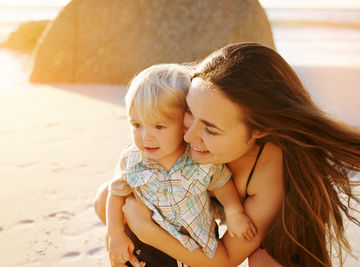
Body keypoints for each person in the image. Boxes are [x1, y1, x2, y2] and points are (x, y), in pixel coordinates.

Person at [118, 43, 360, 267]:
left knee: (262, 260)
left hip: (266, 246)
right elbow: (114, 191)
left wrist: (146, 230)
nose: (189, 136)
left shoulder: (267, 175)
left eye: (211, 129)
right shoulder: (190, 131)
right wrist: (116, 232)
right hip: (191, 221)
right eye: (189, 111)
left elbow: (225, 259)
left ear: (260, 130)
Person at [102, 63, 257, 267]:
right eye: (137, 125)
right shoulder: (132, 159)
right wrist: (115, 234)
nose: (146, 137)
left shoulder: (198, 158)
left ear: (185, 122)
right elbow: (116, 195)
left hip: (193, 246)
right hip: (144, 247)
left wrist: (234, 212)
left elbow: (221, 182)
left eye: (159, 126)